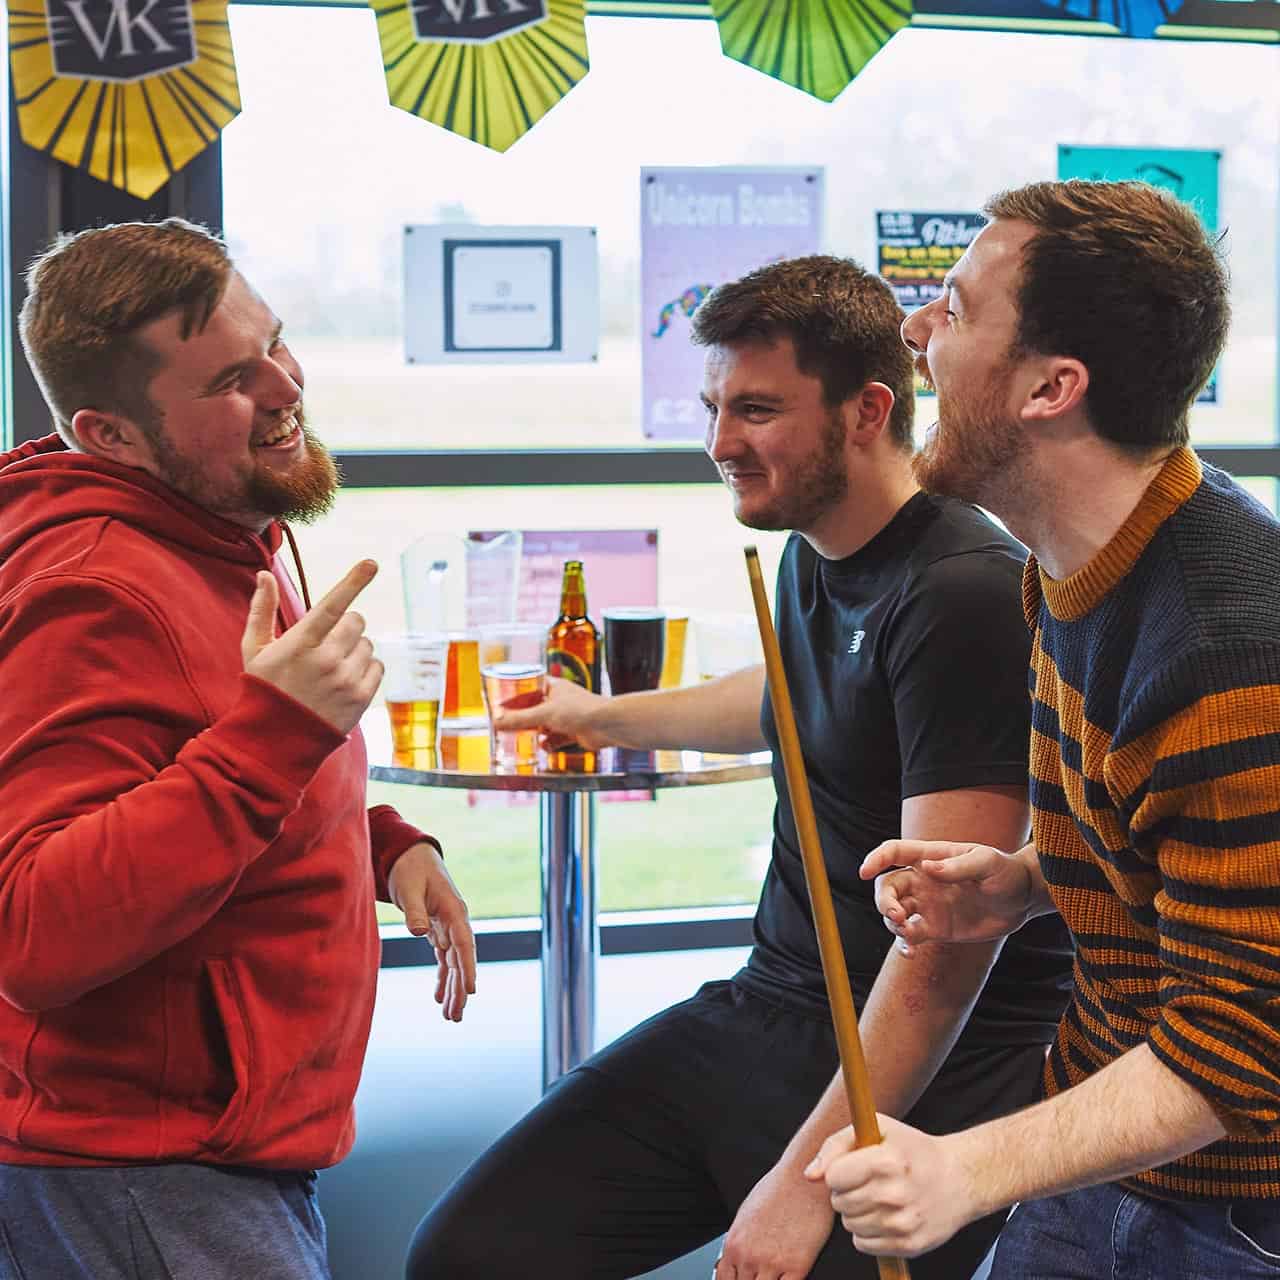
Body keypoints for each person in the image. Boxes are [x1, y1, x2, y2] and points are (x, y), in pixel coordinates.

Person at [405, 254, 1073, 1280]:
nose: (718, 443)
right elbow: (780, 700)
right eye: (714, 406)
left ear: (865, 409)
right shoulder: (817, 541)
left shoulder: (959, 592)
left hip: (921, 1060)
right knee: (466, 1254)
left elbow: (946, 945)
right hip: (772, 1003)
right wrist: (592, 712)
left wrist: (802, 1183)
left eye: (755, 410)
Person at [810, 179, 1280, 1277]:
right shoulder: (1068, 565)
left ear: (1051, 387)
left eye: (957, 311)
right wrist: (1024, 881)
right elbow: (1169, 835)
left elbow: (1242, 1048)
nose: (914, 330)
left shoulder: (1224, 651)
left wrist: (963, 1170)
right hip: (1107, 1149)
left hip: (1231, 1210)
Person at [1, 218, 477, 1280]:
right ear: (111, 435)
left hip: (216, 1153)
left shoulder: (213, 517)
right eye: (229, 379)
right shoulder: (92, 590)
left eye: (277, 341)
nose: (283, 386)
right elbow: (32, 927)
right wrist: (281, 730)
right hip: (142, 1177)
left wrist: (384, 840)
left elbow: (194, 762)